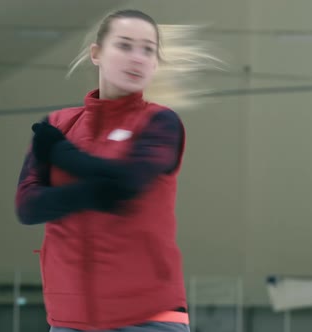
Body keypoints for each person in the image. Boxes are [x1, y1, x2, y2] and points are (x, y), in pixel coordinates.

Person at [15, 9, 192, 332]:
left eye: (147, 50)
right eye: (124, 45)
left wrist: (60, 153)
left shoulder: (160, 123)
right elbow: (28, 205)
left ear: (155, 63)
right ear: (96, 53)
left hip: (149, 317)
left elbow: (129, 181)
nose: (137, 58)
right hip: (70, 319)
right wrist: (97, 192)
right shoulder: (57, 124)